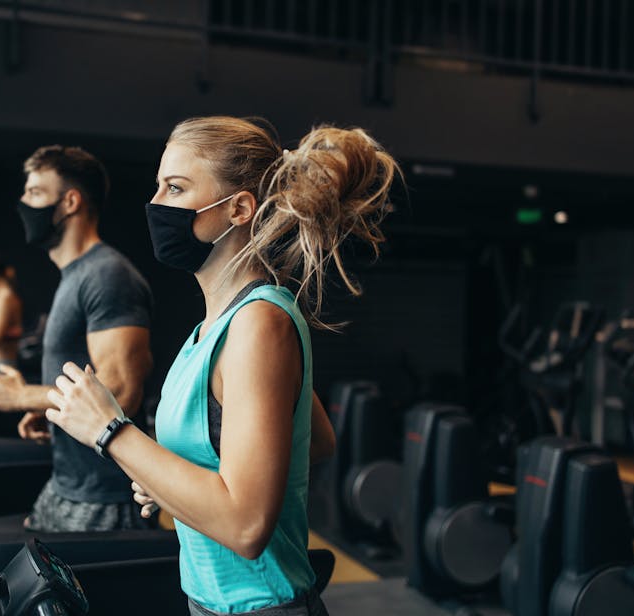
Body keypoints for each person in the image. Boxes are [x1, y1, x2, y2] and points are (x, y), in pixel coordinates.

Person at [40, 116, 399, 615]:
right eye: (158, 185)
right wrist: (176, 480)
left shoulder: (259, 324)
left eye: (176, 187)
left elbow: (248, 527)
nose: (156, 203)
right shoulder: (212, 328)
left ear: (238, 208)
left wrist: (111, 431)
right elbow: (314, 439)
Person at [0, 145, 153, 533]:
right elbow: (84, 375)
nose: (24, 203)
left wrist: (25, 395)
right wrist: (47, 409)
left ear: (70, 201)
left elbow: (121, 393)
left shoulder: (106, 275)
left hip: (103, 497)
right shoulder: (75, 275)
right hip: (67, 484)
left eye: (36, 193)